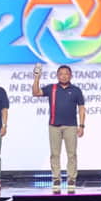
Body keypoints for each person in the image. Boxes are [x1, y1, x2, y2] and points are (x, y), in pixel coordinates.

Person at [32, 64, 85, 193]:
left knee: (72, 154)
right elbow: (36, 92)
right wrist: (37, 77)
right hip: (54, 126)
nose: (64, 76)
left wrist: (82, 125)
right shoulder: (52, 88)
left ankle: (71, 179)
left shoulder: (76, 90)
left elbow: (81, 108)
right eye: (61, 74)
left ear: (71, 75)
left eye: (66, 74)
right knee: (55, 154)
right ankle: (56, 178)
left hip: (71, 126)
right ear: (57, 76)